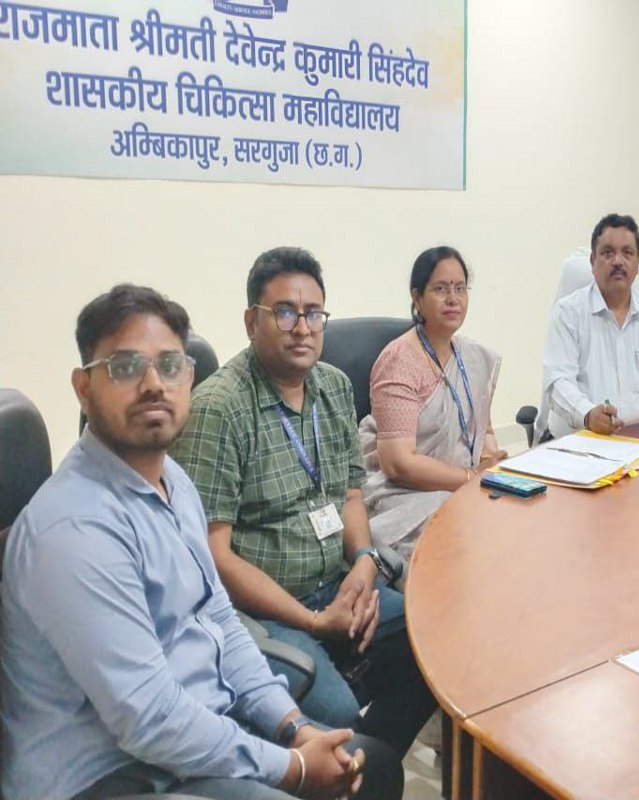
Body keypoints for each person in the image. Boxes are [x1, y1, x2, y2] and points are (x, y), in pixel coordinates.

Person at [1, 284, 400, 800]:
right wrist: (294, 768)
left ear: (188, 378)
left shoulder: (172, 481)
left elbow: (220, 621)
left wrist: (294, 727)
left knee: (374, 768)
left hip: (193, 734)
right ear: (83, 387)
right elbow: (149, 719)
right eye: (125, 366)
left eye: (170, 365)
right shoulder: (71, 532)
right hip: (111, 774)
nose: (153, 384)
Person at [171, 247, 436, 760]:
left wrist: (364, 563)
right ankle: (334, 763)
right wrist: (313, 622)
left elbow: (351, 493)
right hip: (263, 612)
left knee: (433, 648)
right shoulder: (218, 409)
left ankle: (366, 769)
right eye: (285, 313)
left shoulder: (333, 388)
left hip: (337, 585)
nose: (302, 328)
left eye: (314, 313)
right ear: (252, 321)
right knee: (336, 713)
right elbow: (212, 556)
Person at [359, 246, 505, 575]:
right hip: (406, 494)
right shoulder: (400, 359)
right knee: (463, 546)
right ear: (417, 297)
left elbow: (483, 428)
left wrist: (489, 459)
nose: (453, 299)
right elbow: (398, 463)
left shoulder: (471, 356)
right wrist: (470, 479)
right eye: (440, 289)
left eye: (460, 288)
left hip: (463, 484)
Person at [539, 213, 639, 440]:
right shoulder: (568, 313)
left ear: (638, 262)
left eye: (627, 253)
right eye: (608, 253)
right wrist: (587, 414)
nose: (618, 261)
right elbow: (558, 382)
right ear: (593, 261)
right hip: (583, 442)